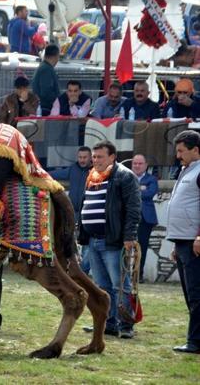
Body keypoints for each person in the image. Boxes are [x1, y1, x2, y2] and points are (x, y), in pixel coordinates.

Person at [79, 140, 140, 339]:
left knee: (120, 284)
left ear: (112, 157)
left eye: (100, 157)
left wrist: (129, 236)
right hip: (93, 240)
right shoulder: (92, 177)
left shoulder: (124, 176)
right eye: (94, 157)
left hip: (113, 240)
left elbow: (133, 208)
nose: (95, 160)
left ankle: (126, 324)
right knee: (101, 286)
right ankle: (109, 323)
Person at [166, 130, 200, 354]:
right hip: (183, 240)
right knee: (190, 293)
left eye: (181, 151)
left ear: (196, 150)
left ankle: (195, 341)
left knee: (196, 293)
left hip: (194, 241)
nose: (178, 155)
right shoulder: (187, 170)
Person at [50, 147, 93, 273]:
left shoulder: (94, 171)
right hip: (72, 213)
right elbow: (54, 175)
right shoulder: (73, 169)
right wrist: (39, 172)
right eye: (80, 157)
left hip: (87, 213)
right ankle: (71, 268)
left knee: (86, 243)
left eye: (85, 157)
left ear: (90, 157)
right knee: (69, 240)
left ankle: (83, 271)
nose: (82, 160)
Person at [130, 154, 158, 283]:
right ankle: (125, 274)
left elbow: (150, 193)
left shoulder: (151, 179)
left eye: (140, 163)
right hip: (128, 217)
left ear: (146, 165)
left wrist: (134, 190)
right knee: (125, 247)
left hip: (145, 219)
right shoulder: (127, 177)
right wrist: (140, 188)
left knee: (142, 247)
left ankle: (137, 275)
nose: (137, 166)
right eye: (135, 163)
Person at [32, 45, 60, 116]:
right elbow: (46, 91)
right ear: (56, 56)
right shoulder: (46, 70)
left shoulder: (44, 67)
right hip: (46, 108)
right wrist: (59, 101)